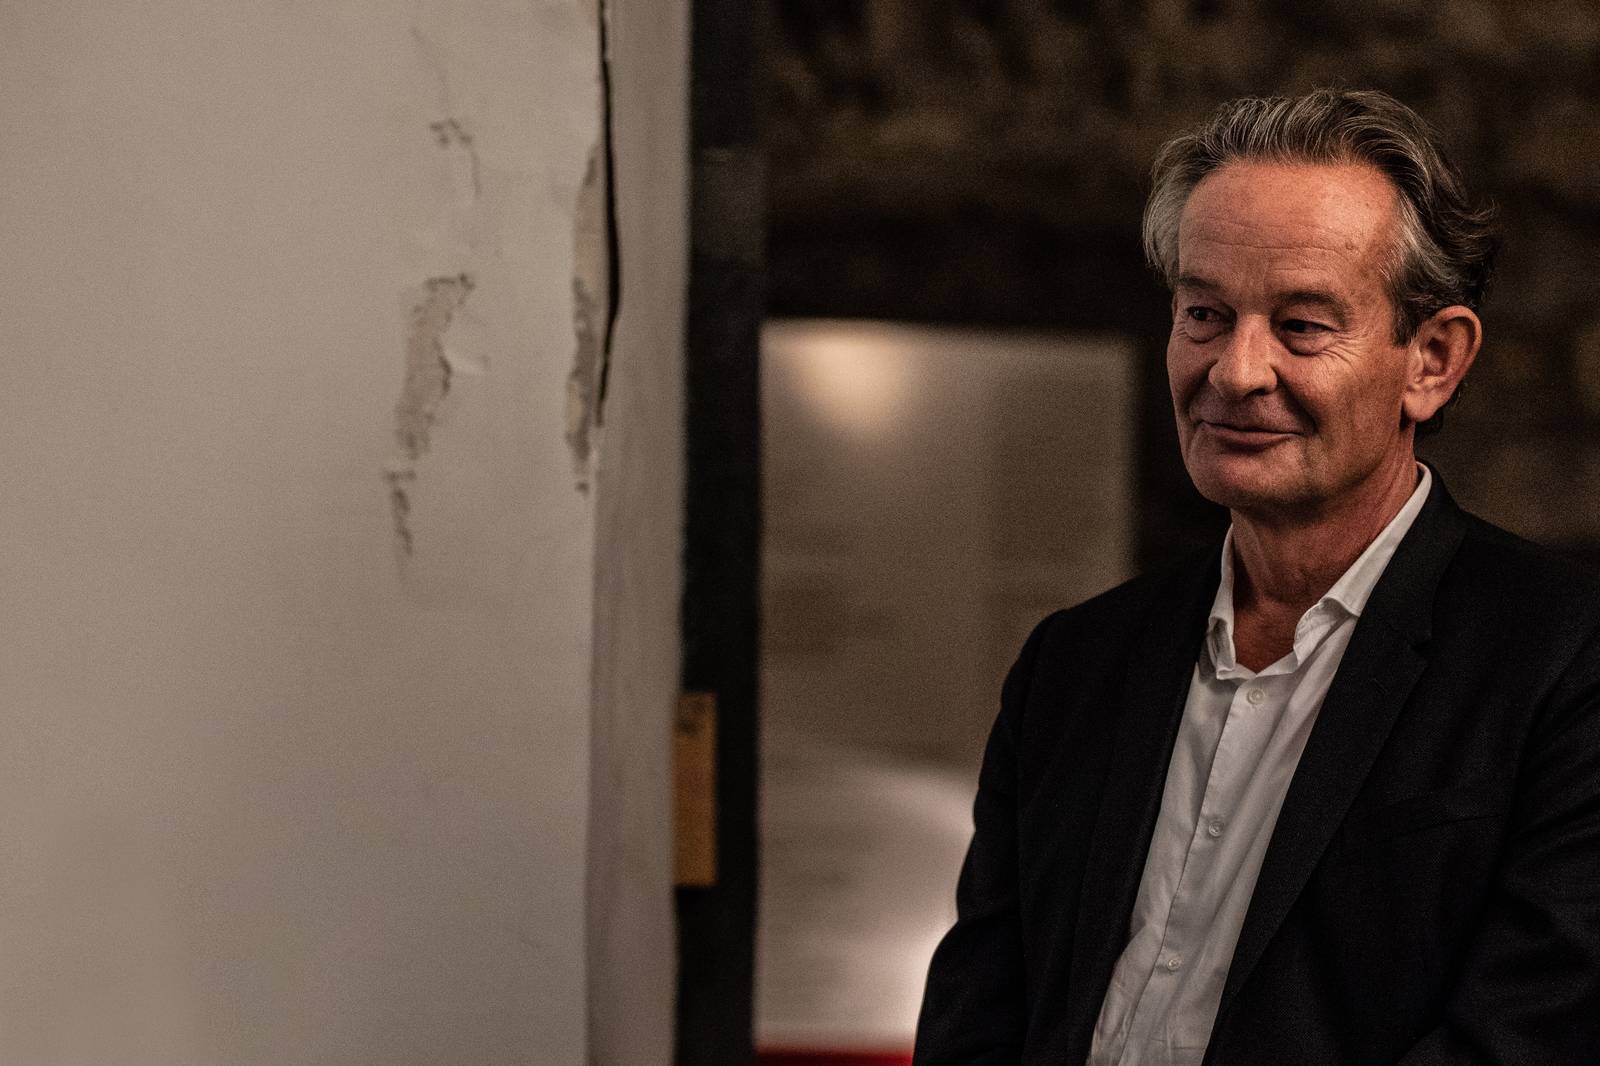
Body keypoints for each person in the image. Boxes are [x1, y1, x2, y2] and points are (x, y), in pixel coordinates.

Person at [913, 89, 1600, 1065]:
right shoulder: (1074, 664)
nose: (1235, 371)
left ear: (1432, 361)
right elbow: (975, 1024)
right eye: (1204, 313)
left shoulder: (1563, 666)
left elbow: (1527, 1039)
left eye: (1302, 325)